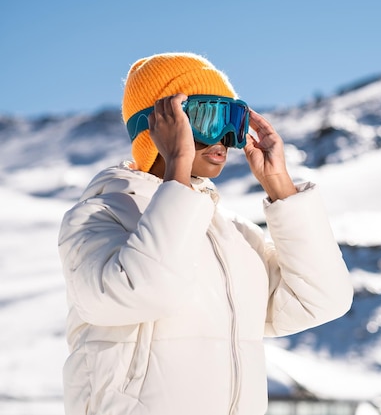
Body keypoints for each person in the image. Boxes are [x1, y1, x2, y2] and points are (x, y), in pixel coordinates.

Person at [57, 52, 353, 415]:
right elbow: (144, 292)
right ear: (159, 124)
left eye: (234, 120)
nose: (225, 138)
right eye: (208, 117)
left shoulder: (235, 235)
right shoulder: (97, 216)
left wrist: (280, 185)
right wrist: (178, 165)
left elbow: (321, 301)